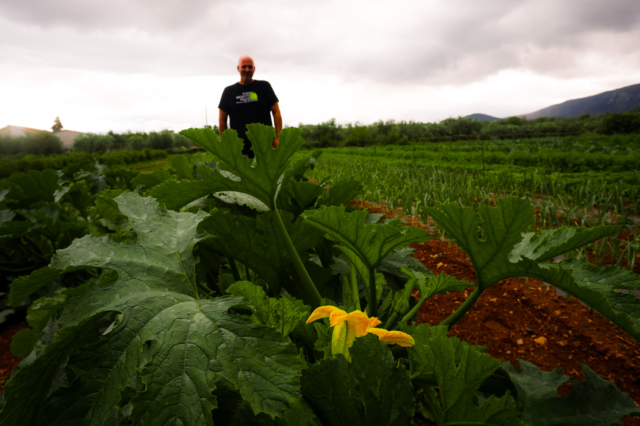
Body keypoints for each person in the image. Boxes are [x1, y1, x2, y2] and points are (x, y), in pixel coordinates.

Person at [218, 55, 282, 158]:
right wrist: (226, 143)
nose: (247, 70)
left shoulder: (264, 87)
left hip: (264, 145)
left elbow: (276, 112)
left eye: (250, 67)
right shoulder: (229, 91)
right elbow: (222, 119)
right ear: (238, 68)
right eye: (244, 67)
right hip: (239, 147)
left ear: (254, 69)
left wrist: (278, 137)